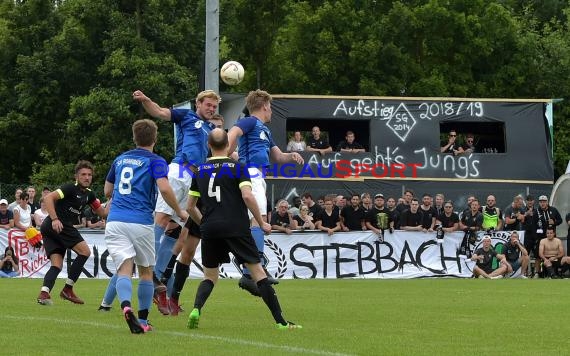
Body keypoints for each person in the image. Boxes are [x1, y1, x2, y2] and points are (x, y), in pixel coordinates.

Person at [186, 128, 301, 330]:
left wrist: (203, 222)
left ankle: (196, 309)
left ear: (209, 145)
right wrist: (262, 221)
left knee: (210, 277)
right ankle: (281, 322)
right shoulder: (238, 167)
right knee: (258, 273)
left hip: (211, 228)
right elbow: (248, 196)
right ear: (230, 147)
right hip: (236, 226)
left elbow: (190, 206)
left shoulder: (200, 170)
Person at [132, 89, 220, 309]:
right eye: (208, 105)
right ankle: (148, 268)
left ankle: (157, 278)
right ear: (198, 104)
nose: (211, 109)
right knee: (161, 220)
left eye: (214, 106)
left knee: (177, 231)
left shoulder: (211, 129)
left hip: (194, 179)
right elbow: (160, 112)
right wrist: (146, 100)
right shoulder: (186, 116)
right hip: (179, 171)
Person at [103, 119, 188, 333]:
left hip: (115, 221)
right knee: (146, 273)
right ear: (155, 138)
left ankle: (125, 306)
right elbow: (166, 189)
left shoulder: (120, 159)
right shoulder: (157, 161)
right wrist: (179, 211)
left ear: (134, 137)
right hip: (140, 222)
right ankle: (142, 320)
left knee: (123, 269)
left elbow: (107, 190)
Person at [227, 89, 304, 295]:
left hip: (258, 176)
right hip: (251, 174)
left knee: (253, 221)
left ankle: (247, 272)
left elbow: (278, 156)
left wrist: (292, 155)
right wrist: (223, 154)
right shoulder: (250, 121)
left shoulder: (264, 130)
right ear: (265, 107)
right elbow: (233, 133)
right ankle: (256, 268)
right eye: (270, 108)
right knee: (259, 220)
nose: (271, 112)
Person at [37, 160, 109, 306]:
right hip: (58, 225)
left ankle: (44, 293)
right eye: (83, 174)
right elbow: (48, 197)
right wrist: (55, 219)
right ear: (76, 176)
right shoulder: (70, 188)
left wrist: (113, 199)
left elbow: (102, 212)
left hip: (50, 228)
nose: (87, 177)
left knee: (56, 265)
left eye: (89, 175)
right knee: (85, 252)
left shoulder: (90, 195)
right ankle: (67, 289)